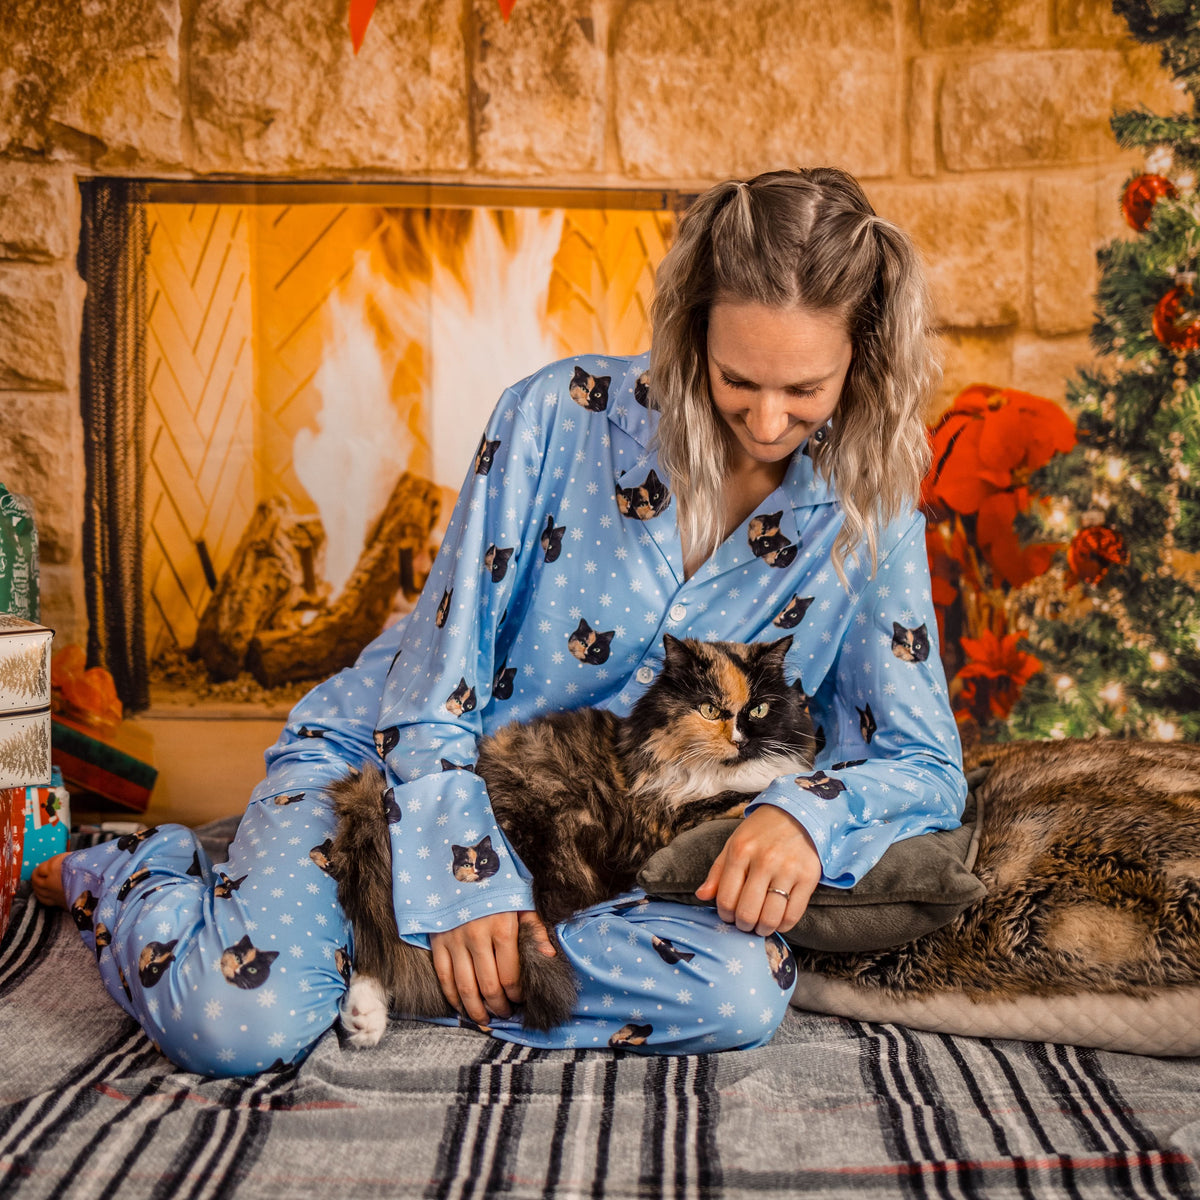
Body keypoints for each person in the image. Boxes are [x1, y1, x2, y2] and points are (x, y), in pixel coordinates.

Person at [34, 167, 966, 1075]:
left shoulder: (868, 506)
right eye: (737, 380)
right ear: (692, 334)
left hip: (607, 865)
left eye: (805, 391)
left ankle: (392, 958)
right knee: (233, 1022)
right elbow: (433, 684)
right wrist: (467, 875)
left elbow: (922, 760)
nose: (767, 422)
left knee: (738, 996)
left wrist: (807, 819)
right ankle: (139, 869)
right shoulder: (556, 416)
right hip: (391, 769)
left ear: (864, 357)